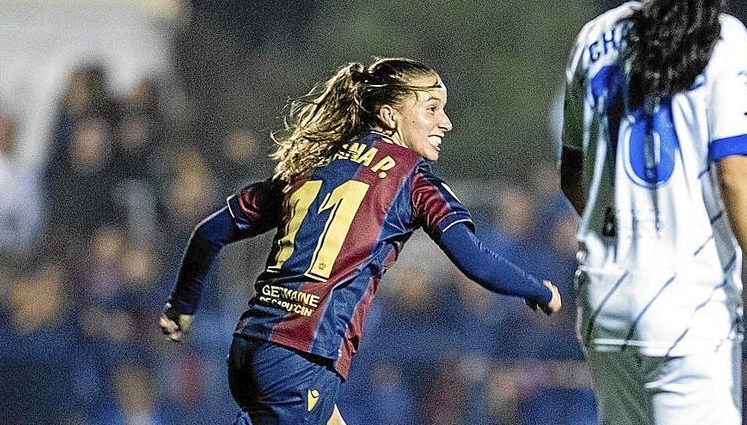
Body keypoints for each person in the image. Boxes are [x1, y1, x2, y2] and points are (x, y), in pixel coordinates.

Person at [159, 57, 562, 425]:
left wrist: (181, 306)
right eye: (432, 110)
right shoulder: (414, 181)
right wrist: (537, 289)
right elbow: (474, 259)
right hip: (302, 356)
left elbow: (209, 233)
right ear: (389, 115)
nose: (446, 123)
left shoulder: (313, 162)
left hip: (251, 348)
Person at [557, 0, 747, 423]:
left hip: (606, 298)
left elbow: (572, 174)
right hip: (687, 303)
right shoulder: (723, 37)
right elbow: (735, 172)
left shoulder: (592, 39)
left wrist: (624, 227)